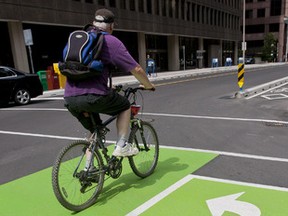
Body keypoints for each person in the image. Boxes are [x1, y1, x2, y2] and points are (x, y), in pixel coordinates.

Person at [64, 8, 155, 157]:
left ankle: (88, 169)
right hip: (93, 96)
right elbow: (137, 69)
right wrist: (148, 85)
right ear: (112, 26)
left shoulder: (82, 39)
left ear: (93, 22)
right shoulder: (111, 41)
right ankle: (122, 146)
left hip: (69, 98)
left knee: (95, 130)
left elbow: (82, 70)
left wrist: (105, 86)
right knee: (125, 106)